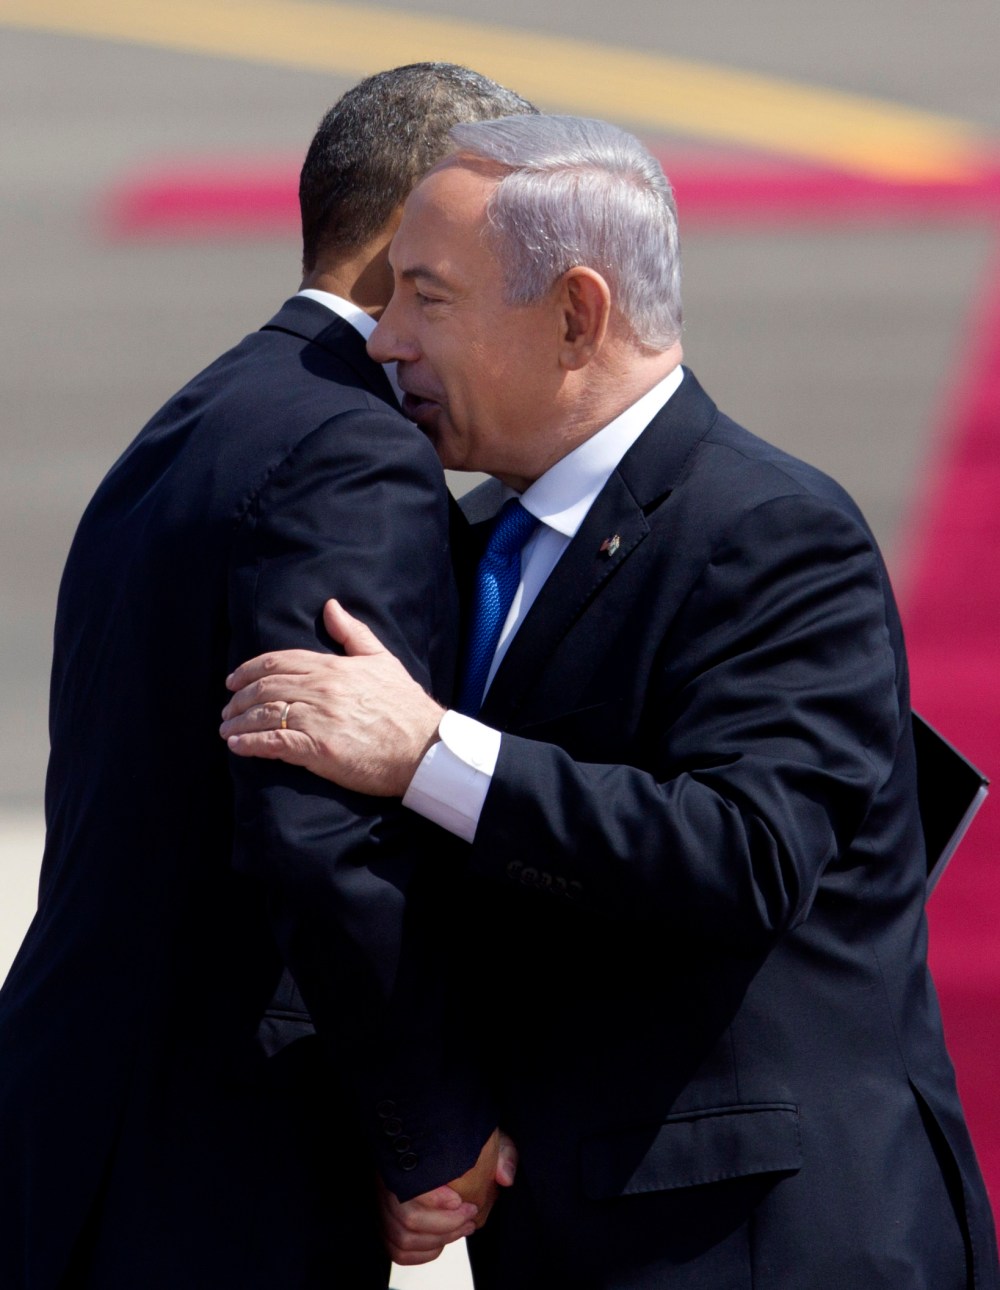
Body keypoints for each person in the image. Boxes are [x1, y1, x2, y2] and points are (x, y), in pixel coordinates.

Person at [220, 114, 1000, 1289]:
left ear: (576, 316)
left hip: (767, 1248)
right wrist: (421, 1133)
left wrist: (428, 752)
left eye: (425, 297)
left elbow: (743, 855)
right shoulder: (473, 540)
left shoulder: (774, 531)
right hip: (568, 1237)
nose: (384, 340)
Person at [0, 65, 534, 1289]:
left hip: (84, 1109)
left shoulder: (206, 417)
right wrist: (432, 1136)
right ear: (420, 233)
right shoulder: (355, 455)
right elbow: (322, 836)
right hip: (212, 1155)